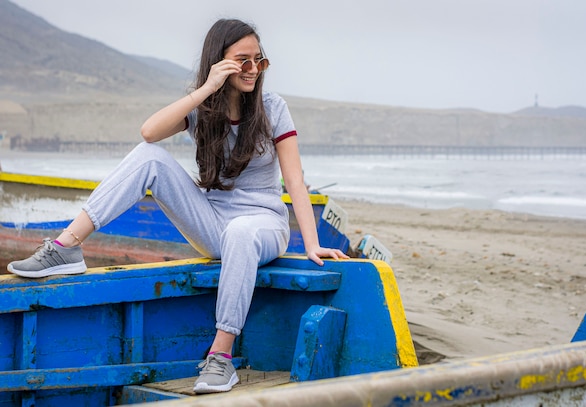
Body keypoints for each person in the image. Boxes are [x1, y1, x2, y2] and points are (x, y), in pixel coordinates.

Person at [7, 18, 348, 393]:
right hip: (213, 221)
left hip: (262, 224)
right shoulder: (203, 108)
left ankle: (220, 358)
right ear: (220, 62)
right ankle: (67, 247)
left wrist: (312, 243)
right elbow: (149, 132)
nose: (253, 70)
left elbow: (295, 179)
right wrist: (207, 89)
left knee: (240, 231)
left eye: (259, 61)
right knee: (148, 156)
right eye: (242, 61)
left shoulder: (273, 107)